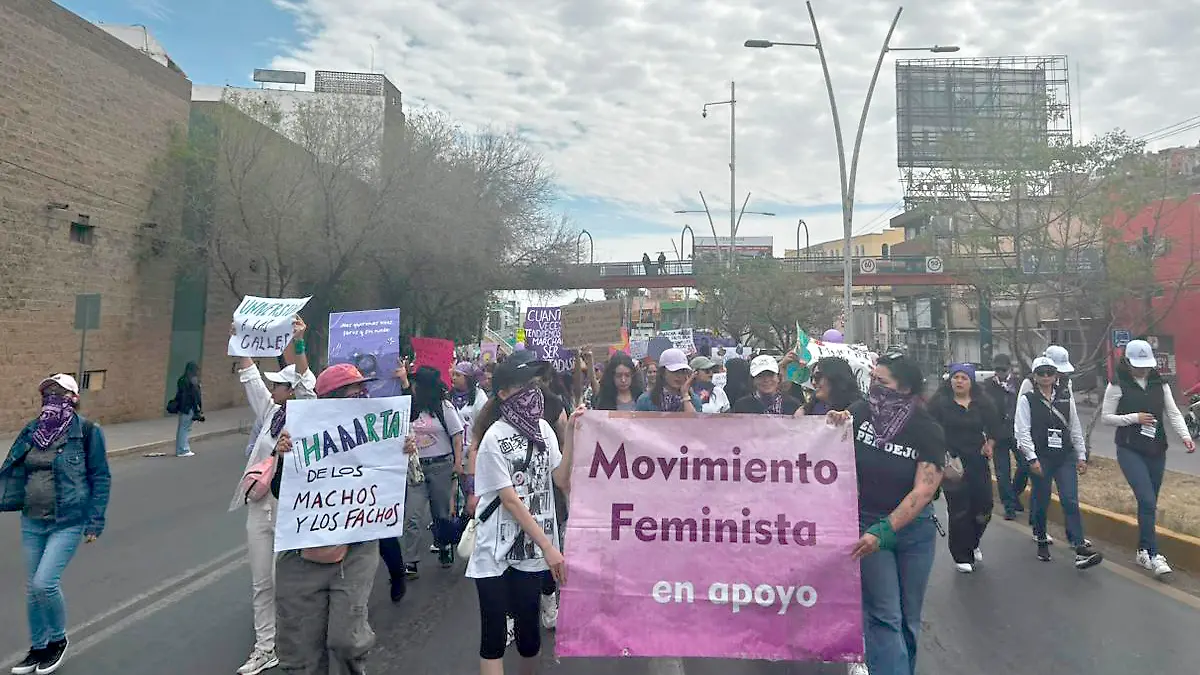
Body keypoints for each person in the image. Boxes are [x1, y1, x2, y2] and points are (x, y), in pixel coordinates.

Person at [272, 363, 398, 675]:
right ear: (331, 399)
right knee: (303, 648)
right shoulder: (298, 429)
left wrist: (402, 454)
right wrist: (281, 457)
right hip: (305, 554)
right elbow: (279, 491)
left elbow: (387, 493)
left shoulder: (378, 432)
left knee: (345, 638)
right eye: (353, 394)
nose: (361, 398)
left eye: (361, 393)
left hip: (354, 552)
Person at [826, 353, 943, 675]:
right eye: (873, 379)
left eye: (883, 382)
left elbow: (924, 490)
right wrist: (834, 421)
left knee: (908, 617)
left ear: (904, 387)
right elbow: (833, 433)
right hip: (866, 526)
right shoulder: (862, 411)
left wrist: (885, 530)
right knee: (883, 614)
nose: (874, 387)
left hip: (911, 531)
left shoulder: (926, 427)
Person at [466, 352, 574, 675]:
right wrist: (550, 547)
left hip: (531, 555)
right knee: (494, 637)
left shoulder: (544, 429)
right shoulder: (493, 439)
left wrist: (575, 434)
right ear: (502, 393)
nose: (532, 391)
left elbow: (561, 478)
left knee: (529, 638)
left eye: (534, 383)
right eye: (522, 385)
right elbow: (511, 501)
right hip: (493, 554)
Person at [3, 374, 111, 675]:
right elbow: (14, 467)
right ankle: (38, 648)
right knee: (32, 589)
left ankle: (58, 640)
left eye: (58, 392)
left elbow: (100, 477)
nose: (51, 397)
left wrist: (94, 521)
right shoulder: (33, 430)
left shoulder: (88, 432)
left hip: (68, 521)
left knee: (44, 583)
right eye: (47, 392)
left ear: (73, 398)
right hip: (32, 519)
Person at [228, 317, 315, 675]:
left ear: (292, 392)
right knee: (261, 581)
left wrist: (300, 342)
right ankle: (265, 647)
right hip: (259, 505)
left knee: (285, 582)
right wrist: (241, 342)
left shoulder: (308, 416)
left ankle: (295, 638)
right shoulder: (270, 414)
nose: (273, 388)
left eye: (280, 385)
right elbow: (250, 378)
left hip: (290, 509)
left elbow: (307, 382)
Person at [1101, 339, 1196, 576]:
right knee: (1146, 499)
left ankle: (1142, 550)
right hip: (1129, 449)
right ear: (1128, 362)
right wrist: (1133, 418)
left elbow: (1173, 412)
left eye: (1146, 365)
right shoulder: (1117, 385)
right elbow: (1106, 418)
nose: (1143, 369)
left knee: (1149, 503)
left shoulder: (1159, 383)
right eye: (1139, 365)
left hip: (1156, 448)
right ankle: (1154, 555)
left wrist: (1185, 436)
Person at [1015, 357, 1103, 568]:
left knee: (1070, 499)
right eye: (1041, 373)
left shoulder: (1065, 397)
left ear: (1056, 375)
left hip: (1064, 456)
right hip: (1041, 457)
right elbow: (1021, 431)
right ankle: (1041, 537)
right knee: (1042, 499)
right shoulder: (1027, 399)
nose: (1046, 377)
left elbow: (1074, 427)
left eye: (1050, 372)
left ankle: (1079, 547)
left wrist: (1081, 455)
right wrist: (1031, 458)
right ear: (1034, 376)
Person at [928, 363, 1001, 573]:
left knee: (984, 507)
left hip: (977, 462)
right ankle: (961, 555)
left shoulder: (982, 403)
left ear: (971, 382)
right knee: (959, 510)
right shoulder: (940, 404)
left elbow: (996, 427)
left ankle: (973, 541)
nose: (959, 381)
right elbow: (928, 429)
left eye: (964, 378)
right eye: (956, 377)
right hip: (953, 464)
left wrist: (990, 444)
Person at [403, 366, 466, 573]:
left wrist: (458, 464)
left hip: (441, 466)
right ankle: (410, 560)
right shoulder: (411, 407)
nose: (413, 387)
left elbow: (457, 436)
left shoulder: (444, 407)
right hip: (416, 469)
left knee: (441, 513)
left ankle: (444, 545)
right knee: (412, 515)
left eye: (416, 384)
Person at [984, 354, 1027, 520]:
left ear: (1009, 368)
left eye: (1003, 369)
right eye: (997, 369)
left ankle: (1014, 494)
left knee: (1025, 465)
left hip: (1016, 431)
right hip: (996, 434)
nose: (1000, 372)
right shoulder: (987, 385)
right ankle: (1009, 507)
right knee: (1003, 472)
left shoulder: (1018, 383)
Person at [731, 355, 804, 415]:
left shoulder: (793, 405)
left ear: (778, 378)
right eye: (760, 376)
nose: (766, 380)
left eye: (770, 375)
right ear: (753, 380)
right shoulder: (741, 406)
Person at [635, 348, 702, 412]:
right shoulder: (645, 400)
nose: (679, 376)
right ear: (663, 372)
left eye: (683, 371)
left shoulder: (694, 400)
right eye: (674, 371)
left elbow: (694, 422)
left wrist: (685, 396)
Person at [171, 361, 204, 457]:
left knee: (182, 428)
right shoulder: (193, 381)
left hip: (182, 407)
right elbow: (195, 397)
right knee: (185, 429)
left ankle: (180, 449)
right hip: (189, 408)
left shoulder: (182, 379)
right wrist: (197, 410)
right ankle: (183, 450)